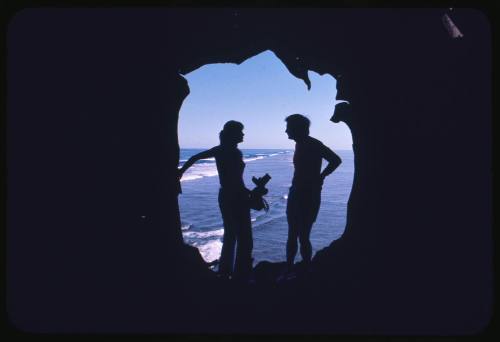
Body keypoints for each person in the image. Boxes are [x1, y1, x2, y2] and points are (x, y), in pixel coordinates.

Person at [178, 121, 253, 280]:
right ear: (232, 134)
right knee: (239, 235)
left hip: (236, 195)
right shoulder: (222, 151)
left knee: (236, 234)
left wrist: (248, 192)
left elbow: (235, 179)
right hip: (231, 196)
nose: (243, 134)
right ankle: (235, 272)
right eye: (240, 132)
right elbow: (194, 157)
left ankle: (232, 270)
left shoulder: (233, 151)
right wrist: (181, 172)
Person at [284, 114, 342, 272]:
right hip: (299, 191)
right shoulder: (301, 144)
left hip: (307, 193)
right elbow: (335, 160)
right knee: (296, 234)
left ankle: (301, 269)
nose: (286, 130)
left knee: (301, 235)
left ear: (297, 128)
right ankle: (294, 268)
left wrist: (321, 176)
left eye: (288, 127)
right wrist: (320, 177)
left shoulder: (313, 144)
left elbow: (336, 160)